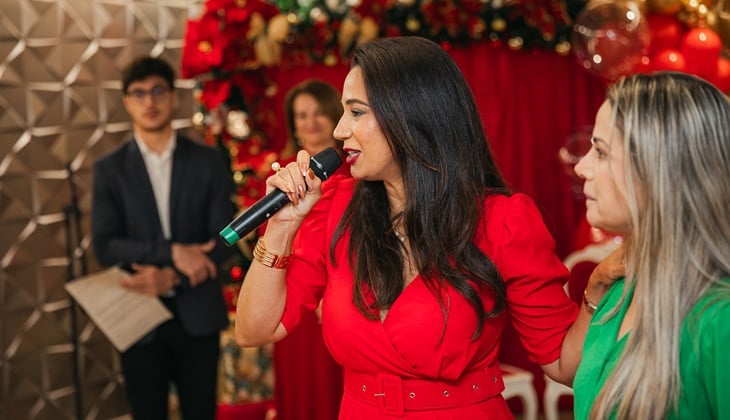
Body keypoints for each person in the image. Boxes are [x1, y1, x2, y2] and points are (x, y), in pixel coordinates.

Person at [234, 36, 611, 418]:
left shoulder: (502, 220)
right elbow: (254, 330)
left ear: (411, 115)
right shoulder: (337, 209)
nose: (340, 130)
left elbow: (564, 365)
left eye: (357, 112)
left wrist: (596, 288)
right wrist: (282, 227)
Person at [572, 71, 730, 419]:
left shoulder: (720, 319)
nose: (582, 167)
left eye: (600, 151)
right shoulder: (619, 291)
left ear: (659, 170)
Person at [91, 56, 234, 420]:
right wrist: (172, 252)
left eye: (157, 91)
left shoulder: (207, 160)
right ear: (127, 102)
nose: (149, 101)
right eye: (138, 94)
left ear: (173, 97)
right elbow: (105, 246)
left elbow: (225, 238)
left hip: (199, 313)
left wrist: (171, 277)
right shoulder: (110, 169)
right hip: (138, 316)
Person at [272, 79, 346, 420]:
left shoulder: (356, 171)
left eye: (318, 113)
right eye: (301, 115)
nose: (310, 122)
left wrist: (332, 293)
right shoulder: (280, 174)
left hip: (340, 299)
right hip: (291, 297)